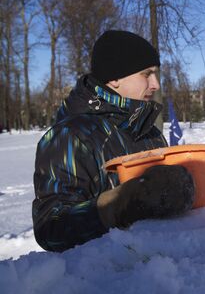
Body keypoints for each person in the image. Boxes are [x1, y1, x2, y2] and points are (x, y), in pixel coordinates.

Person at [32, 30, 195, 252]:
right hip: (101, 281)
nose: (155, 84)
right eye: (146, 74)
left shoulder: (150, 132)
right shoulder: (71, 137)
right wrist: (122, 203)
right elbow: (51, 229)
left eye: (156, 74)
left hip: (157, 272)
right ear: (115, 78)